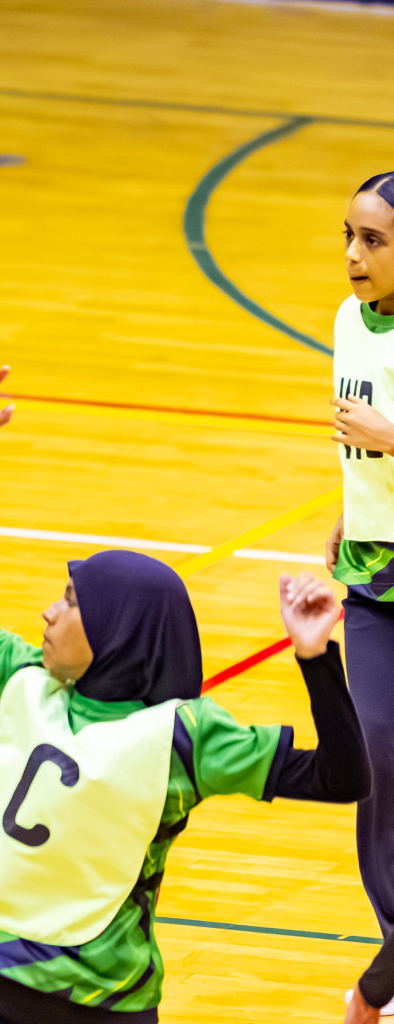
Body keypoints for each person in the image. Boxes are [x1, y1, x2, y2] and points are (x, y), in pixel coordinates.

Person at [0, 356, 370, 1024]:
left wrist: (317, 658)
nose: (48, 616)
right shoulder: (19, 677)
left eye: (70, 602)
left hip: (105, 1011)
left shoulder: (181, 737)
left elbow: (343, 777)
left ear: (118, 633)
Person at [327, 172, 394, 1022]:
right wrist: (351, 513)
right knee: (376, 764)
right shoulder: (348, 320)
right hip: (374, 576)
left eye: (373, 240)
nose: (352, 254)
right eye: (348, 235)